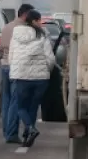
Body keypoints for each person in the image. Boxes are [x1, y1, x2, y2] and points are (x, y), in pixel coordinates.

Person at [8, 10, 57, 147]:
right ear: (34, 21)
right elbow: (50, 58)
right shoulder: (42, 36)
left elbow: (11, 57)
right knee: (33, 107)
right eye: (39, 20)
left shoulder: (16, 35)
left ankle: (30, 129)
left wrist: (16, 69)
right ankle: (28, 134)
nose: (41, 23)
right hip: (40, 79)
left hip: (21, 76)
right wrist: (48, 71)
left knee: (21, 106)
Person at [0, 3, 34, 144]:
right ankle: (12, 133)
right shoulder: (24, 29)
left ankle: (6, 131)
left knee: (6, 101)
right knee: (16, 102)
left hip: (4, 66)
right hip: (17, 67)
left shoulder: (6, 27)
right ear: (25, 14)